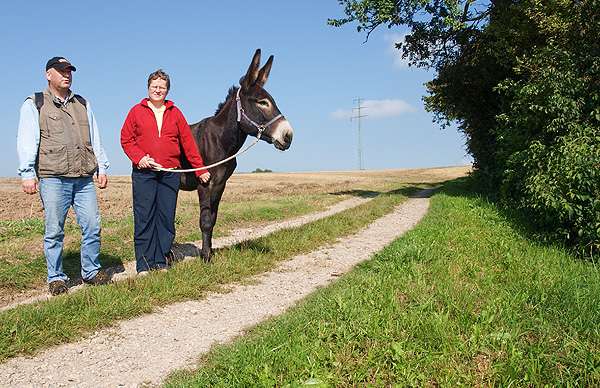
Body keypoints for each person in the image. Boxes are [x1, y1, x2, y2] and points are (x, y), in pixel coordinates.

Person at [17, 56, 111, 296]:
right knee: (55, 231)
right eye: (61, 71)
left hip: (83, 177)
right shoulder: (35, 103)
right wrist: (27, 172)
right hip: (53, 177)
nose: (66, 75)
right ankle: (56, 277)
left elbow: (94, 138)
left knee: (92, 225)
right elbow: (27, 140)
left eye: (69, 71)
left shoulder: (82, 103)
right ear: (49, 75)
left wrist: (102, 167)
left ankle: (90, 271)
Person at [121, 69, 210, 275]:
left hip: (171, 173)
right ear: (148, 88)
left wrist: (200, 169)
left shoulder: (175, 113)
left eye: (162, 87)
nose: (158, 90)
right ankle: (143, 264)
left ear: (167, 90)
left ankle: (161, 262)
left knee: (166, 217)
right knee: (144, 217)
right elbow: (126, 139)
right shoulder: (136, 111)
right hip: (145, 173)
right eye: (154, 87)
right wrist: (140, 158)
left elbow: (188, 144)